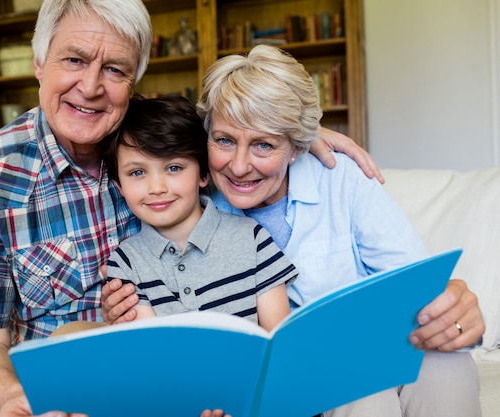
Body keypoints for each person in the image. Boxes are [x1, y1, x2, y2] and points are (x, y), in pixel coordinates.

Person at [0, 0, 385, 415]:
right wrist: (14, 401)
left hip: (144, 362)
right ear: (39, 62)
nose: (92, 87)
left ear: (133, 82)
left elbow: (242, 135)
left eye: (114, 69)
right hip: (34, 367)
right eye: (74, 60)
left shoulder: (150, 139)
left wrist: (305, 135)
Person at [101, 45, 486, 417]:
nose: (237, 166)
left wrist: (452, 312)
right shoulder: (187, 197)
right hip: (311, 377)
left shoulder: (342, 180)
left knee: (444, 363)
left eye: (263, 145)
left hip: (368, 347)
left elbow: (420, 293)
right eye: (224, 140)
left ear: (299, 147)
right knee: (362, 391)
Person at [101, 94, 295, 330]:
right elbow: (152, 351)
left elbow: (279, 336)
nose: (157, 188)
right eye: (137, 173)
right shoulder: (125, 262)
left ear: (204, 174)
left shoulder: (252, 239)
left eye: (174, 168)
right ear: (119, 185)